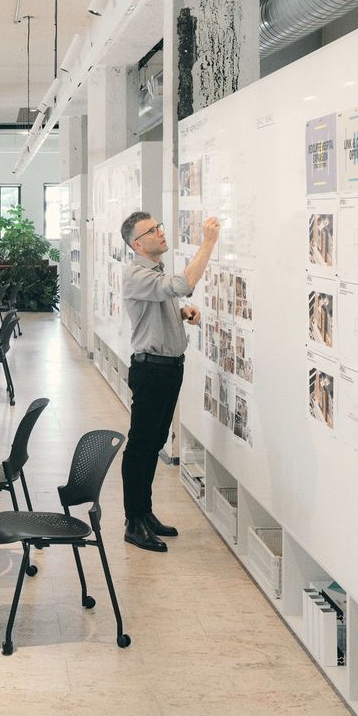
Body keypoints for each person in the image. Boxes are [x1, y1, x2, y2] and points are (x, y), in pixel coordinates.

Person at [118, 210, 218, 551]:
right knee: (141, 445)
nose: (161, 233)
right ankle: (134, 521)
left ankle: (145, 514)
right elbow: (184, 285)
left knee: (154, 443)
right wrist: (208, 243)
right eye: (152, 230)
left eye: (159, 227)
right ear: (138, 243)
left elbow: (162, 304)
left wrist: (180, 313)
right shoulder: (135, 274)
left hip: (168, 367)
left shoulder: (153, 272)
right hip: (151, 370)